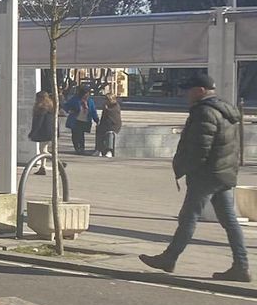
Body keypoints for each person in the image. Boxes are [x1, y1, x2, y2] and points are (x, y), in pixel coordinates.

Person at [140, 71, 248, 283]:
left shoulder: (204, 112)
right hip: (223, 173)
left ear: (200, 91)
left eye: (188, 90)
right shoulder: (226, 111)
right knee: (229, 221)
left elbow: (200, 148)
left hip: (206, 175)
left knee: (188, 217)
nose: (185, 94)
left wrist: (189, 169)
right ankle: (241, 266)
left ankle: (169, 259)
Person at [63, 84, 98, 155]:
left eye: (87, 93)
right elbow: (66, 106)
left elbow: (93, 111)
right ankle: (77, 147)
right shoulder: (75, 99)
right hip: (76, 120)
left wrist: (96, 119)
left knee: (81, 135)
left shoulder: (90, 101)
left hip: (85, 120)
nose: (86, 95)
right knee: (75, 134)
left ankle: (81, 148)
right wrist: (69, 111)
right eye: (85, 93)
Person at [97, 94, 122, 158]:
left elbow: (114, 115)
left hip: (114, 126)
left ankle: (109, 150)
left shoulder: (116, 106)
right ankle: (100, 150)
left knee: (110, 133)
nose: (105, 101)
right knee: (100, 132)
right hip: (106, 124)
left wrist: (107, 110)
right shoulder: (106, 106)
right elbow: (103, 117)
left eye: (107, 99)